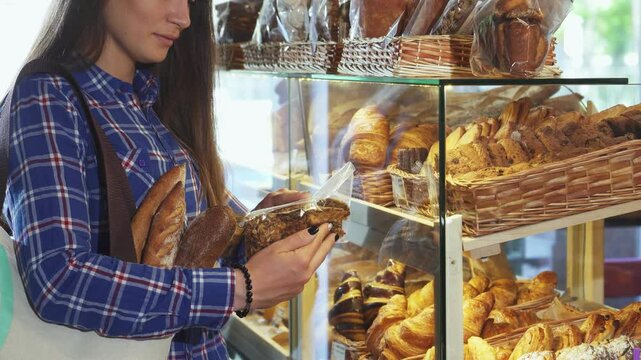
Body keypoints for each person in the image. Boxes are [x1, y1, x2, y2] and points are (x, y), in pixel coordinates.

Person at [1, 0, 337, 358]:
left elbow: (195, 254)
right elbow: (58, 279)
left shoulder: (152, 102)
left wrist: (262, 223)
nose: (184, 18)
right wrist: (239, 288)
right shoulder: (50, 95)